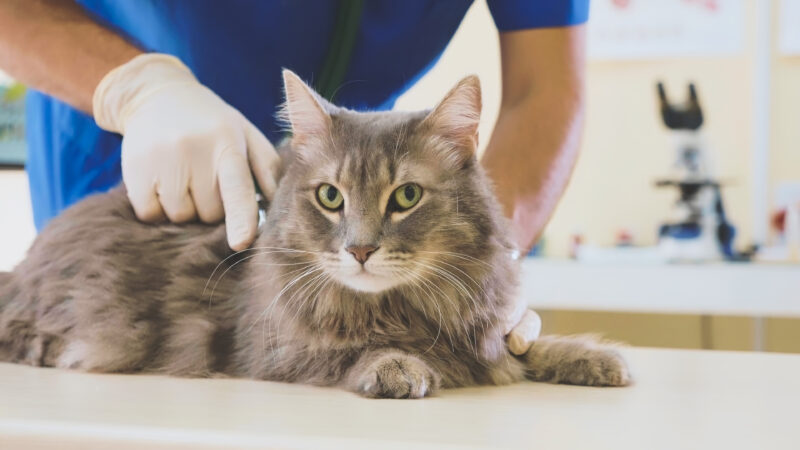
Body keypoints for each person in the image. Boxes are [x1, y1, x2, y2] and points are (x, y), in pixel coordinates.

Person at [0, 0, 587, 354]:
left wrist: (485, 269)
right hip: (126, 169)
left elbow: (545, 86)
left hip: (348, 205)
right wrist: (133, 89)